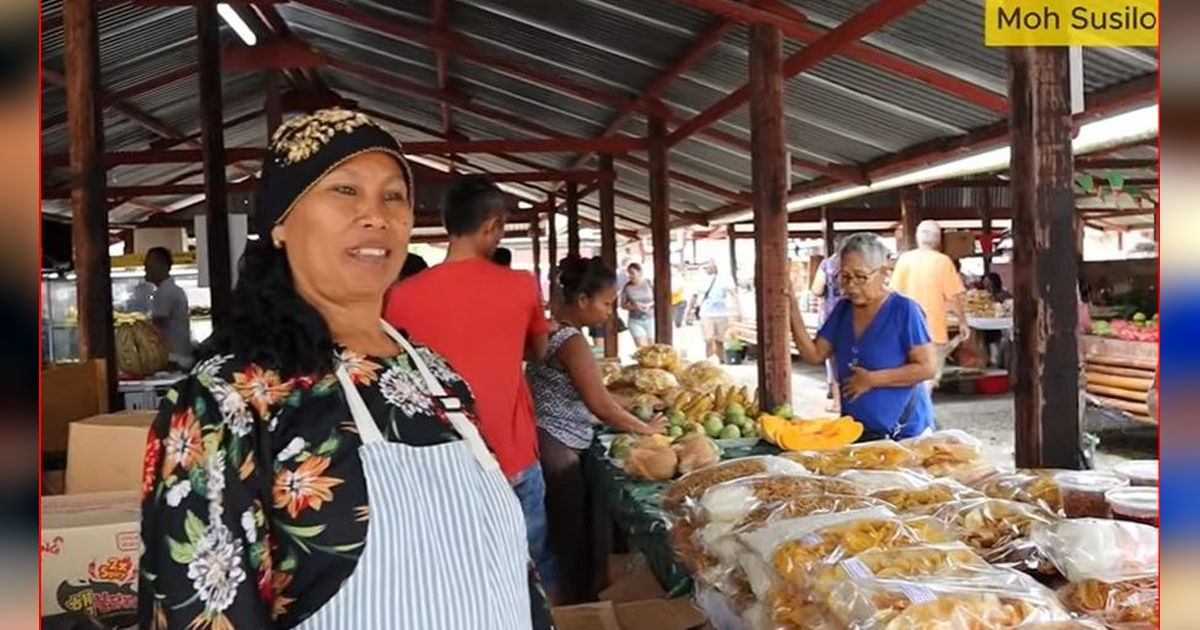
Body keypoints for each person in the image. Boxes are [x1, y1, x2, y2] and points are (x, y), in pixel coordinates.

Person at [139, 109, 552, 630]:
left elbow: (515, 573)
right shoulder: (227, 402)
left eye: (393, 196)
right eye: (345, 191)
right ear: (282, 223)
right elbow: (198, 610)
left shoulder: (435, 376)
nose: (376, 215)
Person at [384, 175, 554, 593]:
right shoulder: (521, 286)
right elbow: (539, 351)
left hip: (439, 467)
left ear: (447, 224)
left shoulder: (400, 296)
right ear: (493, 225)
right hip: (511, 455)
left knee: (456, 581)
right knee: (526, 571)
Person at [527, 256, 668, 604]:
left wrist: (633, 409)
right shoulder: (572, 342)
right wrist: (645, 429)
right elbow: (599, 404)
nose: (609, 312)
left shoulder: (550, 329)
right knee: (568, 541)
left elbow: (595, 394)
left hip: (545, 441)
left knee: (562, 537)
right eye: (606, 303)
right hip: (559, 449)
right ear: (582, 300)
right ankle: (572, 610)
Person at [787, 233, 937, 441]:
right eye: (845, 277)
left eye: (861, 276)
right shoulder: (843, 310)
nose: (851, 285)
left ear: (883, 272)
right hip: (857, 432)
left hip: (905, 434)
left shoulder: (904, 310)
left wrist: (872, 379)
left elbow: (927, 368)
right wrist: (792, 309)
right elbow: (814, 354)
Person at [890, 220, 969, 389]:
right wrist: (963, 322)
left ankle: (910, 414)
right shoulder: (943, 261)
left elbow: (893, 295)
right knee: (927, 380)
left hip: (905, 330)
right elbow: (953, 297)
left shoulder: (905, 260)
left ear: (918, 237)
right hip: (932, 331)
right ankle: (920, 415)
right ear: (939, 239)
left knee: (908, 377)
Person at [144, 246, 192, 369]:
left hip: (173, 357)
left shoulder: (165, 292)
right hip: (179, 355)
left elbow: (156, 325)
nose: (146, 267)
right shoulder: (171, 290)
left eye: (150, 263)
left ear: (163, 266)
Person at [688, 260, 739, 363]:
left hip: (722, 312)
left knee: (720, 339)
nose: (707, 268)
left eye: (708, 266)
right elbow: (694, 295)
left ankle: (721, 360)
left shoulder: (725, 278)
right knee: (708, 338)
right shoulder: (700, 279)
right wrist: (689, 311)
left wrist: (737, 309)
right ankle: (709, 360)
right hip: (706, 312)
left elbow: (733, 294)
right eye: (705, 266)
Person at [811, 252, 843, 411]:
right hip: (860, 315)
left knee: (834, 359)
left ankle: (838, 402)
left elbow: (816, 289)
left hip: (832, 314)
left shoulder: (828, 264)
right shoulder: (865, 260)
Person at [620, 262, 654, 347]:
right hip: (635, 320)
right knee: (643, 348)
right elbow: (623, 305)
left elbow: (658, 298)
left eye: (632, 273)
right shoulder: (627, 287)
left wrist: (649, 305)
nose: (630, 276)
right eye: (628, 273)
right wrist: (633, 307)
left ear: (640, 272)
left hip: (651, 319)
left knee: (653, 346)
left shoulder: (649, 283)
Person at [670, 264, 687, 328]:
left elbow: (675, 290)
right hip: (671, 302)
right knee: (671, 321)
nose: (672, 270)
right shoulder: (668, 278)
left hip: (679, 302)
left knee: (677, 322)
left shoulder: (679, 278)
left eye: (673, 269)